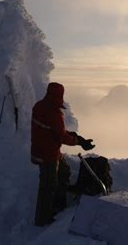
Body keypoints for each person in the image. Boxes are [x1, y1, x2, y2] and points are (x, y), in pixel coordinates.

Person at [31, 82, 94, 226]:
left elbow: (55, 131)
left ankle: (58, 205)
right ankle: (42, 219)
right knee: (48, 186)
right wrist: (80, 142)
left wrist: (77, 137)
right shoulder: (53, 112)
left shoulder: (40, 106)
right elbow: (62, 137)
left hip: (44, 149)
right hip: (47, 155)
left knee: (64, 170)